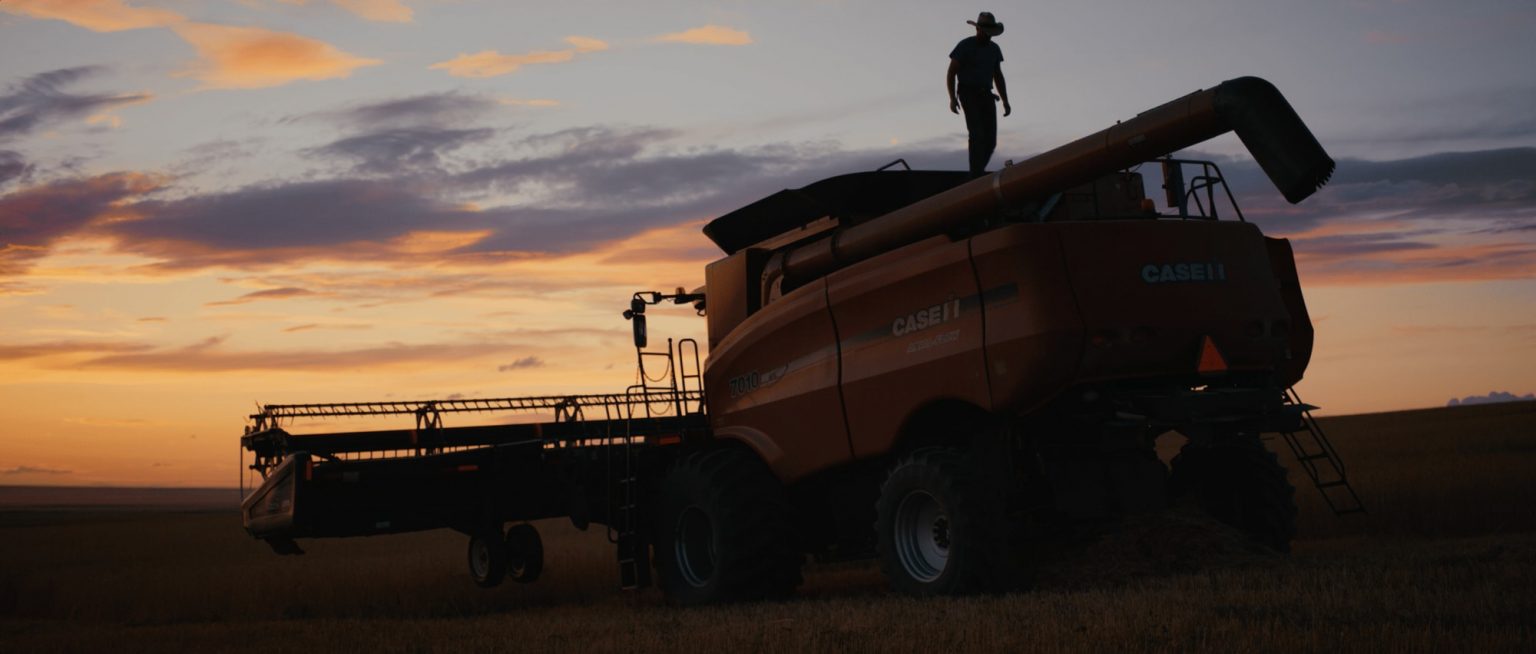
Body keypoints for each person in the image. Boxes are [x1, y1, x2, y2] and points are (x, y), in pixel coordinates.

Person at [947, 12, 1011, 176]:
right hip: (968, 93)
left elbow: (998, 75)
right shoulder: (965, 45)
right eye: (985, 32)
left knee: (990, 140)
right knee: (977, 134)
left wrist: (1005, 100)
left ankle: (977, 172)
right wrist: (953, 98)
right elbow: (951, 73)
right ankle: (975, 174)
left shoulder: (994, 49)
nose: (988, 36)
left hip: (986, 95)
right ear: (978, 30)